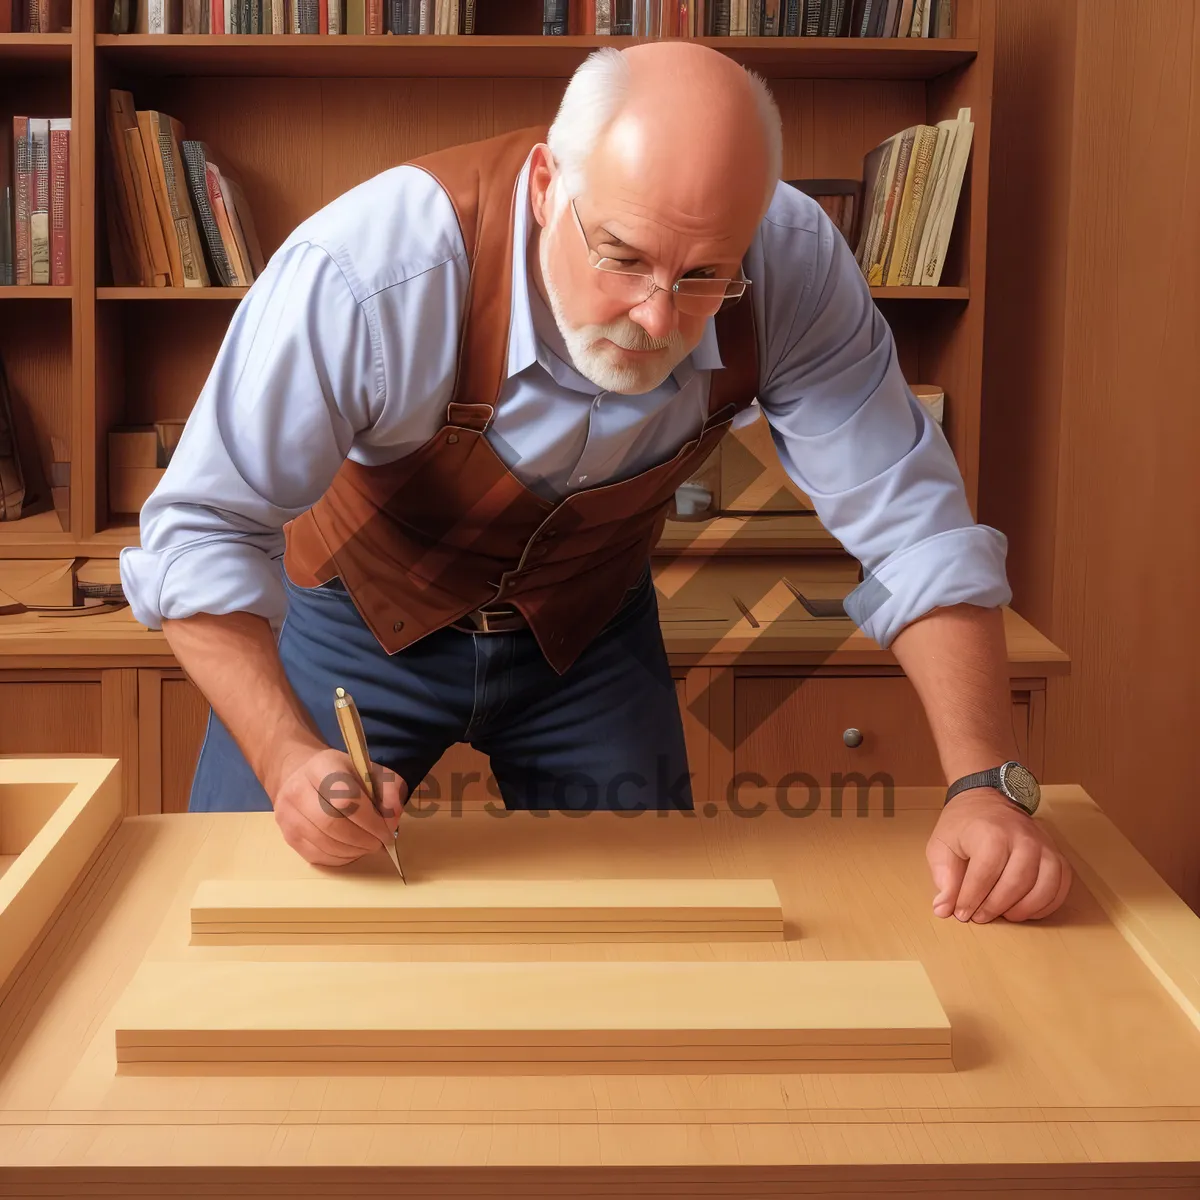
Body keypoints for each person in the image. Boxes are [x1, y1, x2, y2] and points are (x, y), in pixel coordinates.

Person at [119, 40, 1072, 925]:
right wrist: (287, 757)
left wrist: (987, 785)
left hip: (586, 637)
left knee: (655, 939)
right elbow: (201, 529)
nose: (658, 317)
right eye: (621, 256)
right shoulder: (371, 274)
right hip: (353, 624)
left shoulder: (792, 267)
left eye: (706, 276)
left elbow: (914, 527)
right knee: (259, 910)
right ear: (546, 185)